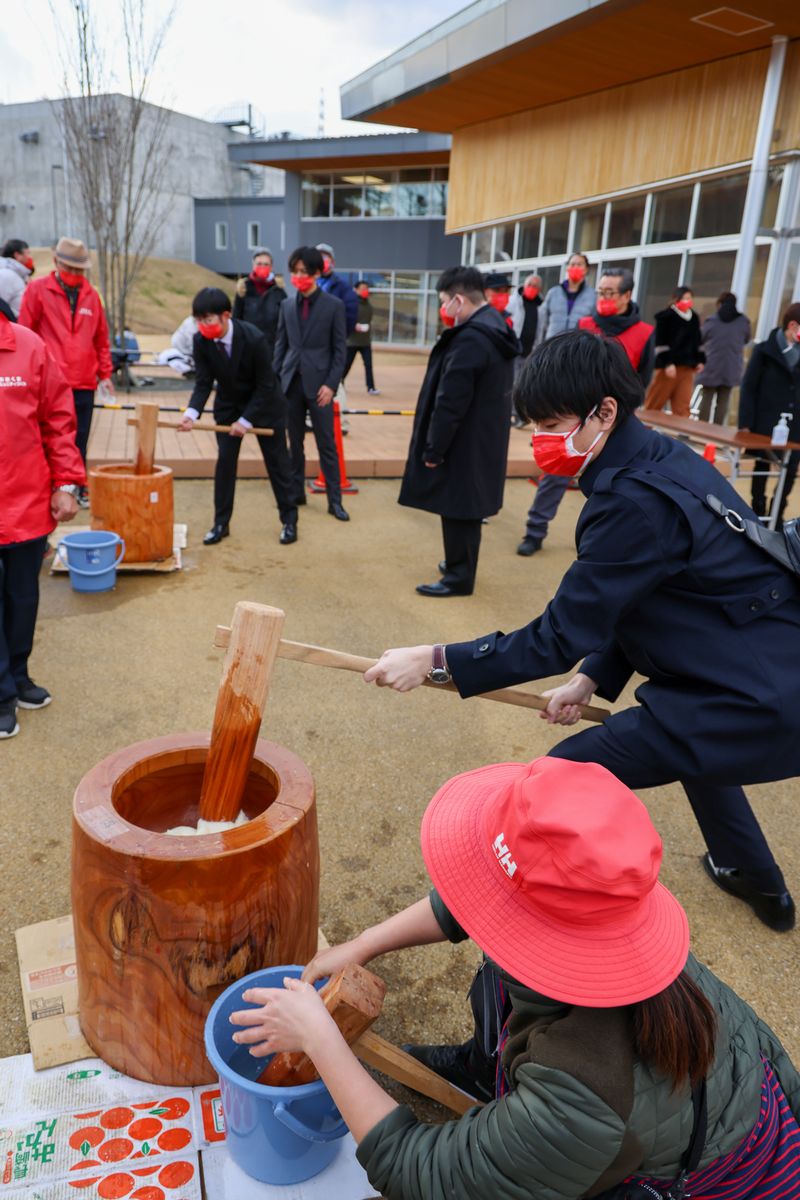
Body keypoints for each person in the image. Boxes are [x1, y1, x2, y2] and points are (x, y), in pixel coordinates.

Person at [365, 330, 800, 933]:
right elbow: (645, 595)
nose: (543, 439)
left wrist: (437, 659)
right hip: (760, 669)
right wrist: (593, 676)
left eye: (553, 422)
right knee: (699, 751)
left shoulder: (632, 502)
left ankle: (506, 918)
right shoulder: (662, 458)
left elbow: (556, 635)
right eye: (535, 423)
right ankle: (761, 885)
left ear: (605, 412)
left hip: (748, 694)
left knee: (565, 777)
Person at [229, 757, 800, 1200]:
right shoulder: (614, 919)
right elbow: (475, 899)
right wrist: (363, 943)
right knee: (498, 977)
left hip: (722, 1181)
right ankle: (487, 1071)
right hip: (722, 1108)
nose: (481, 906)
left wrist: (321, 1042)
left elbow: (420, 1174)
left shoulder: (579, 1090)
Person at [399, 266, 519, 597]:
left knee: (458, 507)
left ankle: (458, 577)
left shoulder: (470, 339)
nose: (442, 309)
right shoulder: (495, 327)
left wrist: (434, 448)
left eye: (443, 301)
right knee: (466, 506)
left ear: (458, 299)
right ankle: (458, 563)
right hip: (482, 437)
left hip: (462, 440)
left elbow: (450, 400)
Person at [0, 310, 85, 738]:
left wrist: (67, 483)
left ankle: (18, 676)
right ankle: (0, 695)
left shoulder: (29, 345)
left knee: (22, 599)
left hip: (24, 501)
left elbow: (58, 420)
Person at [176, 287, 298, 546]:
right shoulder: (201, 341)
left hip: (266, 405)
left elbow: (266, 384)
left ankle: (289, 519)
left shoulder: (253, 338)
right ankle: (221, 523)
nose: (203, 326)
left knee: (278, 464)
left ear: (226, 316)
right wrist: (191, 413)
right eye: (198, 320)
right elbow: (203, 382)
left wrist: (246, 420)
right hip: (229, 405)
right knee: (225, 464)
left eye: (207, 320)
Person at [18, 237, 113, 507]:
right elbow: (26, 332)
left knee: (80, 437)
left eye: (79, 270)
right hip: (49, 382)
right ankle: (48, 486)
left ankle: (78, 486)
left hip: (84, 380)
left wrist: (105, 374)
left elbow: (101, 339)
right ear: (57, 262)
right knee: (48, 436)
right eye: (69, 268)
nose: (74, 275)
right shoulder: (37, 290)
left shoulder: (91, 296)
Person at [517, 253, 597, 557]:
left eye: (580, 265)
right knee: (556, 464)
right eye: (572, 264)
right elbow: (541, 328)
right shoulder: (552, 294)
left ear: (587, 271)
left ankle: (599, 539)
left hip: (582, 381)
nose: (575, 269)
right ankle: (535, 531)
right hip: (553, 377)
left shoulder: (592, 297)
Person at [273, 247, 350, 521]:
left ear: (317, 273)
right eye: (294, 271)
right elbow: (281, 346)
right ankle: (296, 493)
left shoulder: (334, 306)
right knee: (294, 443)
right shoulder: (286, 305)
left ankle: (335, 500)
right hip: (291, 382)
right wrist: (275, 381)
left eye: (304, 272)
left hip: (321, 387)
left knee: (326, 443)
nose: (298, 276)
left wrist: (331, 385)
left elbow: (340, 351)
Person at [738, 301, 800, 525]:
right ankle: (758, 509)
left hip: (795, 425)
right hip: (765, 421)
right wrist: (745, 423)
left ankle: (777, 513)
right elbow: (749, 387)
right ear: (793, 325)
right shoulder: (764, 351)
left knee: (790, 469)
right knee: (761, 464)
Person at [577, 266, 655, 386]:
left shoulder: (645, 333)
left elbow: (643, 378)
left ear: (627, 296)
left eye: (609, 293)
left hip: (622, 401)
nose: (602, 298)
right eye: (600, 292)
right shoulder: (583, 325)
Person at [644, 285, 704, 416]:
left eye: (690, 298)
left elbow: (697, 341)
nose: (688, 301)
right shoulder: (666, 317)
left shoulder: (693, 317)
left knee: (683, 405)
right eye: (685, 298)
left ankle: (682, 434)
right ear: (676, 299)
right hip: (668, 368)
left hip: (687, 367)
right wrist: (667, 363)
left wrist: (700, 359)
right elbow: (661, 342)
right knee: (655, 402)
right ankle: (644, 429)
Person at [695, 292, 751, 425]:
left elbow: (701, 338)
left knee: (706, 398)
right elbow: (747, 339)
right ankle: (716, 432)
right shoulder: (744, 322)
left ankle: (701, 430)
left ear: (719, 304)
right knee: (723, 401)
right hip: (731, 367)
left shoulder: (712, 321)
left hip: (711, 364)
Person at [232, 247, 287, 361]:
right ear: (253, 265)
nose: (262, 267)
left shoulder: (279, 291)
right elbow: (236, 320)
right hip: (248, 349)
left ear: (271, 266)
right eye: (259, 263)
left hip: (272, 350)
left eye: (266, 264)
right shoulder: (243, 289)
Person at [343, 280, 379, 394]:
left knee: (368, 365)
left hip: (365, 341)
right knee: (346, 365)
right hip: (351, 341)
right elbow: (344, 320)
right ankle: (339, 384)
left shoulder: (369, 306)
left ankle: (371, 387)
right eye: (363, 288)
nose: (365, 291)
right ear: (356, 290)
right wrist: (354, 326)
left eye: (367, 288)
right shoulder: (351, 305)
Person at [314, 242, 358, 333]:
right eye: (318, 258)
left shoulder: (344, 288)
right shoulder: (309, 284)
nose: (321, 261)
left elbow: (350, 319)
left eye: (325, 258)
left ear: (333, 262)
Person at [506, 272, 543, 359]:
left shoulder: (540, 306)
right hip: (513, 349)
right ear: (524, 285)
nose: (531, 287)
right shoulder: (513, 300)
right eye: (529, 284)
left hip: (530, 353)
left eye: (535, 286)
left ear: (539, 289)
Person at [0, 239, 34, 318]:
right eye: (27, 253)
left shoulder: (18, 275)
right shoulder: (6, 275)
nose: (29, 257)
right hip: (11, 326)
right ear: (17, 255)